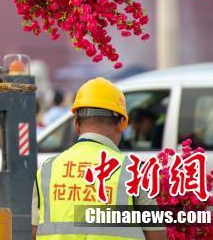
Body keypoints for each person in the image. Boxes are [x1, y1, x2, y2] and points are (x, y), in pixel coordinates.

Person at [32, 77, 166, 239]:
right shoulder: (134, 172)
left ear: (76, 124)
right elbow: (156, 234)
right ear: (122, 123)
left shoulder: (47, 170)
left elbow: (35, 230)